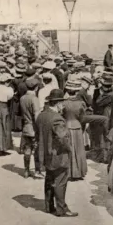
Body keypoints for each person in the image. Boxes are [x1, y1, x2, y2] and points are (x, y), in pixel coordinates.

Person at [36, 89, 77, 217]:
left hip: (46, 154)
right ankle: (61, 209)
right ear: (58, 103)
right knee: (60, 181)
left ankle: (49, 206)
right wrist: (69, 148)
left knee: (49, 179)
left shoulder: (42, 115)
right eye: (62, 103)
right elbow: (62, 138)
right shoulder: (57, 119)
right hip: (58, 154)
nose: (63, 106)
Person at [20, 77, 42, 178]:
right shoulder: (34, 99)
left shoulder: (22, 98)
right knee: (37, 150)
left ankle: (26, 170)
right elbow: (37, 115)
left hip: (25, 126)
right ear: (36, 87)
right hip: (33, 127)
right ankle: (37, 171)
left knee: (27, 150)